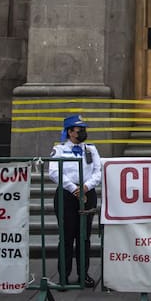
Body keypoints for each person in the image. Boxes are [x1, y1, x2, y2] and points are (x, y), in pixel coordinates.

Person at [48, 115, 102, 288]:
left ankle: (83, 274)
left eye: (84, 129)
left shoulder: (91, 149)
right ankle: (63, 275)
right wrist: (73, 188)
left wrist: (86, 187)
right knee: (66, 236)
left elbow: (98, 171)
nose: (83, 132)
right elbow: (54, 172)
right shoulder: (59, 150)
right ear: (70, 132)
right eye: (79, 130)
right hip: (66, 194)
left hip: (87, 193)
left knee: (84, 236)